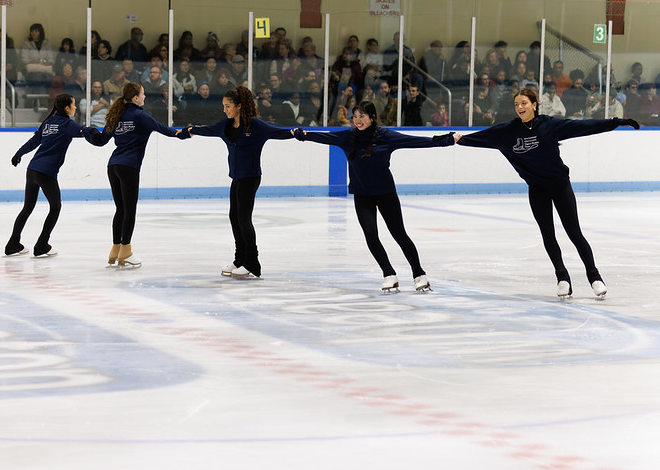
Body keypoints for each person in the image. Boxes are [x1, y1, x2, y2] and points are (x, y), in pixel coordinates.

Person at [454, 88, 640, 298]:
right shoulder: (508, 131)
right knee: (548, 234)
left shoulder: (550, 125)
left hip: (560, 185)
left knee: (574, 233)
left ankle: (595, 277)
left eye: (524, 103)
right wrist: (457, 139)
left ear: (534, 104)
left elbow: (583, 126)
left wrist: (615, 122)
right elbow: (481, 138)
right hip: (537, 188)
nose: (520, 107)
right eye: (516, 104)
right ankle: (562, 278)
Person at [293, 101, 455, 292]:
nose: (358, 120)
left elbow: (415, 141)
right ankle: (388, 273)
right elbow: (324, 137)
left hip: (386, 194)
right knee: (370, 235)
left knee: (399, 234)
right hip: (362, 195)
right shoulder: (348, 136)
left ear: (372, 117)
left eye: (362, 116)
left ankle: (419, 273)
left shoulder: (386, 136)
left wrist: (444, 140)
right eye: (355, 116)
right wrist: (303, 136)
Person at [181, 86, 294, 279]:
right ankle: (239, 259)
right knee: (234, 217)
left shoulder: (255, 126)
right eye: (224, 106)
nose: (224, 110)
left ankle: (251, 263)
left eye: (228, 106)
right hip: (236, 177)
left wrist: (297, 133)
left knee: (243, 219)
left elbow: (279, 133)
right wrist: (190, 131)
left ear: (239, 106)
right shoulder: (225, 125)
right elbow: (206, 130)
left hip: (250, 177)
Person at [86, 82, 188, 268]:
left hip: (113, 166)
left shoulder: (117, 115)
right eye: (143, 94)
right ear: (135, 98)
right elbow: (166, 130)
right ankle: (126, 252)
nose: (145, 97)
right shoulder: (141, 116)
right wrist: (187, 133)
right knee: (129, 210)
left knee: (120, 209)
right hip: (129, 167)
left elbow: (100, 140)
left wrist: (87, 131)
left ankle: (115, 250)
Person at [5, 94, 93, 257]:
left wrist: (19, 153)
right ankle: (42, 244)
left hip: (32, 170)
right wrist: (94, 131)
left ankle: (12, 244)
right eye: (73, 105)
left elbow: (34, 141)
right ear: (67, 108)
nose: (75, 108)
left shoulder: (48, 122)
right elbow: (83, 131)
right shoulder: (67, 124)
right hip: (46, 173)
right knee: (55, 207)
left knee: (27, 208)